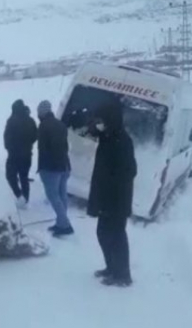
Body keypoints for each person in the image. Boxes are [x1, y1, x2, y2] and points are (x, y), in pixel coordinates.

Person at [87, 98, 137, 287]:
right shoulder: (108, 136)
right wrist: (95, 124)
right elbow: (91, 130)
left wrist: (111, 185)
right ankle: (111, 267)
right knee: (103, 233)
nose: (99, 123)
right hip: (105, 200)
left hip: (116, 200)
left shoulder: (122, 141)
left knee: (116, 236)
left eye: (102, 119)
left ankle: (123, 275)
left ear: (111, 119)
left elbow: (131, 171)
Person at [36, 100, 73, 236]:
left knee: (53, 195)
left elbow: (44, 149)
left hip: (51, 167)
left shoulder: (44, 126)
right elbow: (64, 146)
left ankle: (64, 225)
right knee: (62, 194)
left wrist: (44, 168)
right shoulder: (61, 124)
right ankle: (61, 221)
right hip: (64, 165)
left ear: (41, 112)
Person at [4, 100, 37, 205]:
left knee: (10, 176)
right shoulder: (30, 120)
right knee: (24, 177)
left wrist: (9, 148)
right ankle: (25, 199)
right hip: (27, 155)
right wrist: (27, 144)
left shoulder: (11, 120)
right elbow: (35, 136)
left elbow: (7, 137)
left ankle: (19, 195)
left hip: (13, 155)